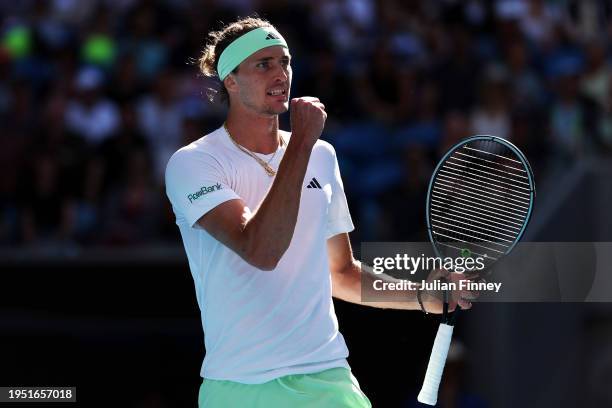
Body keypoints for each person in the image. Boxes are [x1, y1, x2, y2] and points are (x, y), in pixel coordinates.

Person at [165, 16, 475, 408]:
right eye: (264, 64)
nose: (281, 74)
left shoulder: (321, 157)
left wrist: (424, 297)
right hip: (238, 388)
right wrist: (302, 143)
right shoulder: (193, 163)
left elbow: (341, 273)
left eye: (285, 61)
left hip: (328, 378)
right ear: (230, 80)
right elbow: (261, 250)